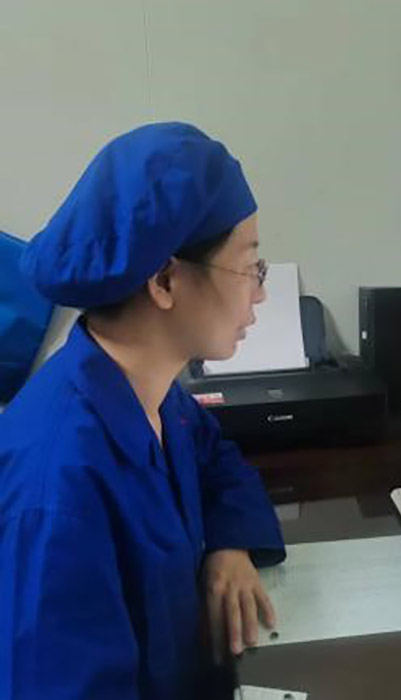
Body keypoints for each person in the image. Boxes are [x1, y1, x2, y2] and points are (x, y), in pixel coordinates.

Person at [0, 122, 286, 699]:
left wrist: (228, 546)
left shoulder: (153, 396)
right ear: (164, 280)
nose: (260, 292)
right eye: (250, 267)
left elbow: (219, 462)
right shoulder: (60, 488)